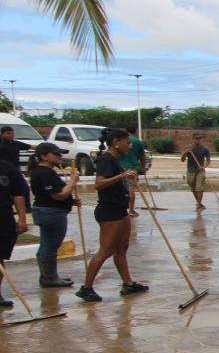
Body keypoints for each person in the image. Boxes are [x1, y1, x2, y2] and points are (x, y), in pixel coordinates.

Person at [76, 128, 148, 302]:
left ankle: (128, 283)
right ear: (116, 142)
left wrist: (126, 178)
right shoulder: (106, 159)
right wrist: (123, 175)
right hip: (109, 210)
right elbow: (99, 184)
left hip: (120, 209)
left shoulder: (115, 159)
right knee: (105, 251)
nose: (129, 146)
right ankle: (86, 288)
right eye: (127, 142)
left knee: (121, 249)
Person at [30, 143, 80, 287]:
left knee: (46, 245)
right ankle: (50, 277)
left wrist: (72, 201)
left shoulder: (44, 171)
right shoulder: (44, 172)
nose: (60, 156)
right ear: (44, 156)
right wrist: (73, 181)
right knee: (50, 246)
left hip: (48, 210)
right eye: (56, 154)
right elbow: (59, 195)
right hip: (51, 213)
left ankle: (47, 276)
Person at [0, 157, 28, 308]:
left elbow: (17, 194)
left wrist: (22, 218)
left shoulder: (7, 168)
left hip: (4, 217)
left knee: (1, 257)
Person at [180, 133, 211, 210]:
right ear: (193, 139)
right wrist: (185, 152)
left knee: (199, 188)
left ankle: (199, 204)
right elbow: (182, 160)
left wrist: (204, 166)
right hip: (190, 171)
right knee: (193, 189)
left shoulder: (205, 149)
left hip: (200, 171)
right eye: (197, 138)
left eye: (200, 138)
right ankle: (198, 202)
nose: (198, 140)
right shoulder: (188, 147)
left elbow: (208, 161)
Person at [122, 126, 147, 217]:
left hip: (119, 168)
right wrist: (143, 169)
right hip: (132, 168)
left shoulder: (121, 140)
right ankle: (131, 210)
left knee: (120, 189)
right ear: (135, 131)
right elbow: (142, 157)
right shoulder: (137, 141)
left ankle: (122, 209)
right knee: (131, 189)